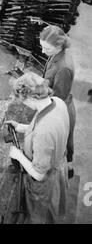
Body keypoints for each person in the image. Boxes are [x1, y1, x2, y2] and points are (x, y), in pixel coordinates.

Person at [7, 72, 69, 224]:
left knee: (39, 214)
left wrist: (18, 155)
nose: (24, 103)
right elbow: (47, 128)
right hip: (61, 162)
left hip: (46, 180)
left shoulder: (43, 132)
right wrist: (21, 127)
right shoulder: (57, 102)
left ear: (30, 98)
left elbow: (39, 174)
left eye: (23, 100)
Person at [40, 25, 76, 178]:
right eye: (42, 47)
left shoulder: (64, 68)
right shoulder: (56, 54)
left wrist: (38, 94)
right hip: (58, 100)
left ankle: (67, 169)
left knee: (63, 141)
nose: (43, 52)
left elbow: (58, 98)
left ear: (59, 45)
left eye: (46, 49)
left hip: (62, 109)